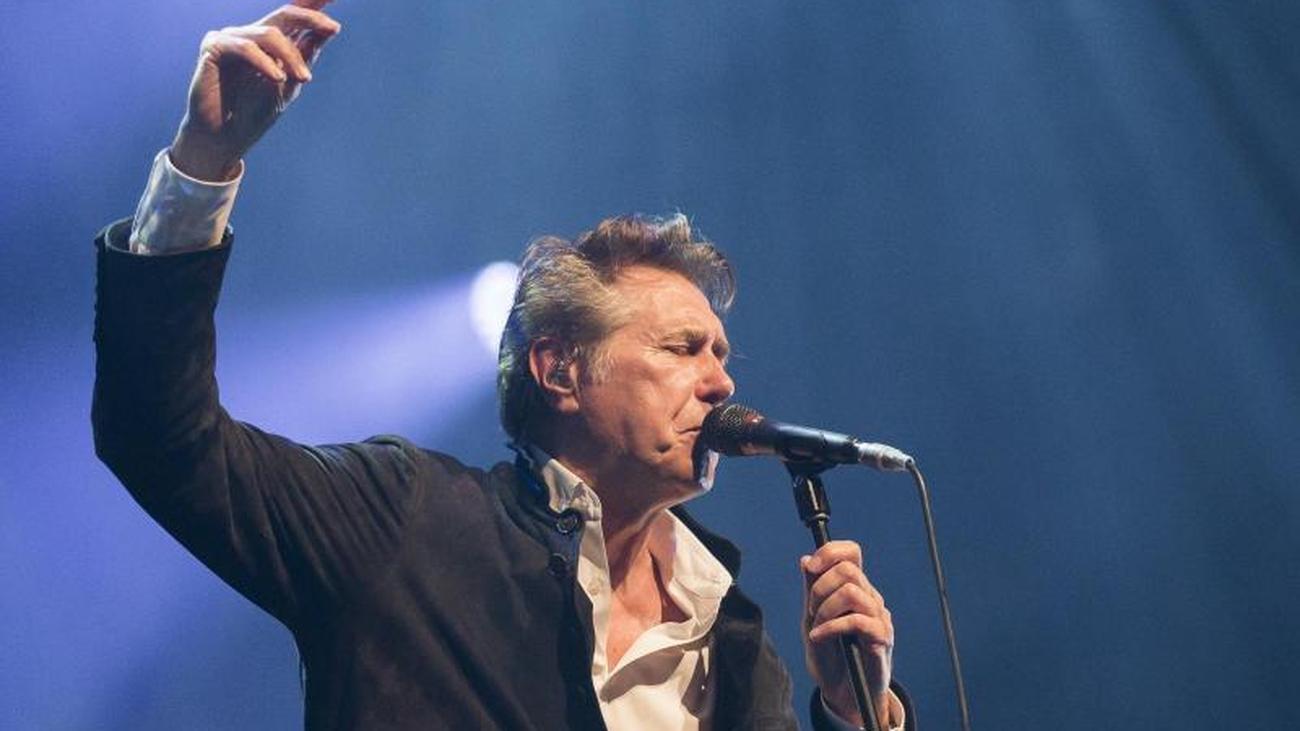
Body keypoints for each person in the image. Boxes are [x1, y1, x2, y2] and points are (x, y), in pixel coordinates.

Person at [92, 2, 914, 729]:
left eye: (721, 354)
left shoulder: (732, 635)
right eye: (681, 348)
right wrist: (202, 163)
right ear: (559, 371)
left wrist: (857, 712)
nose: (722, 382)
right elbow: (164, 441)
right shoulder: (406, 521)